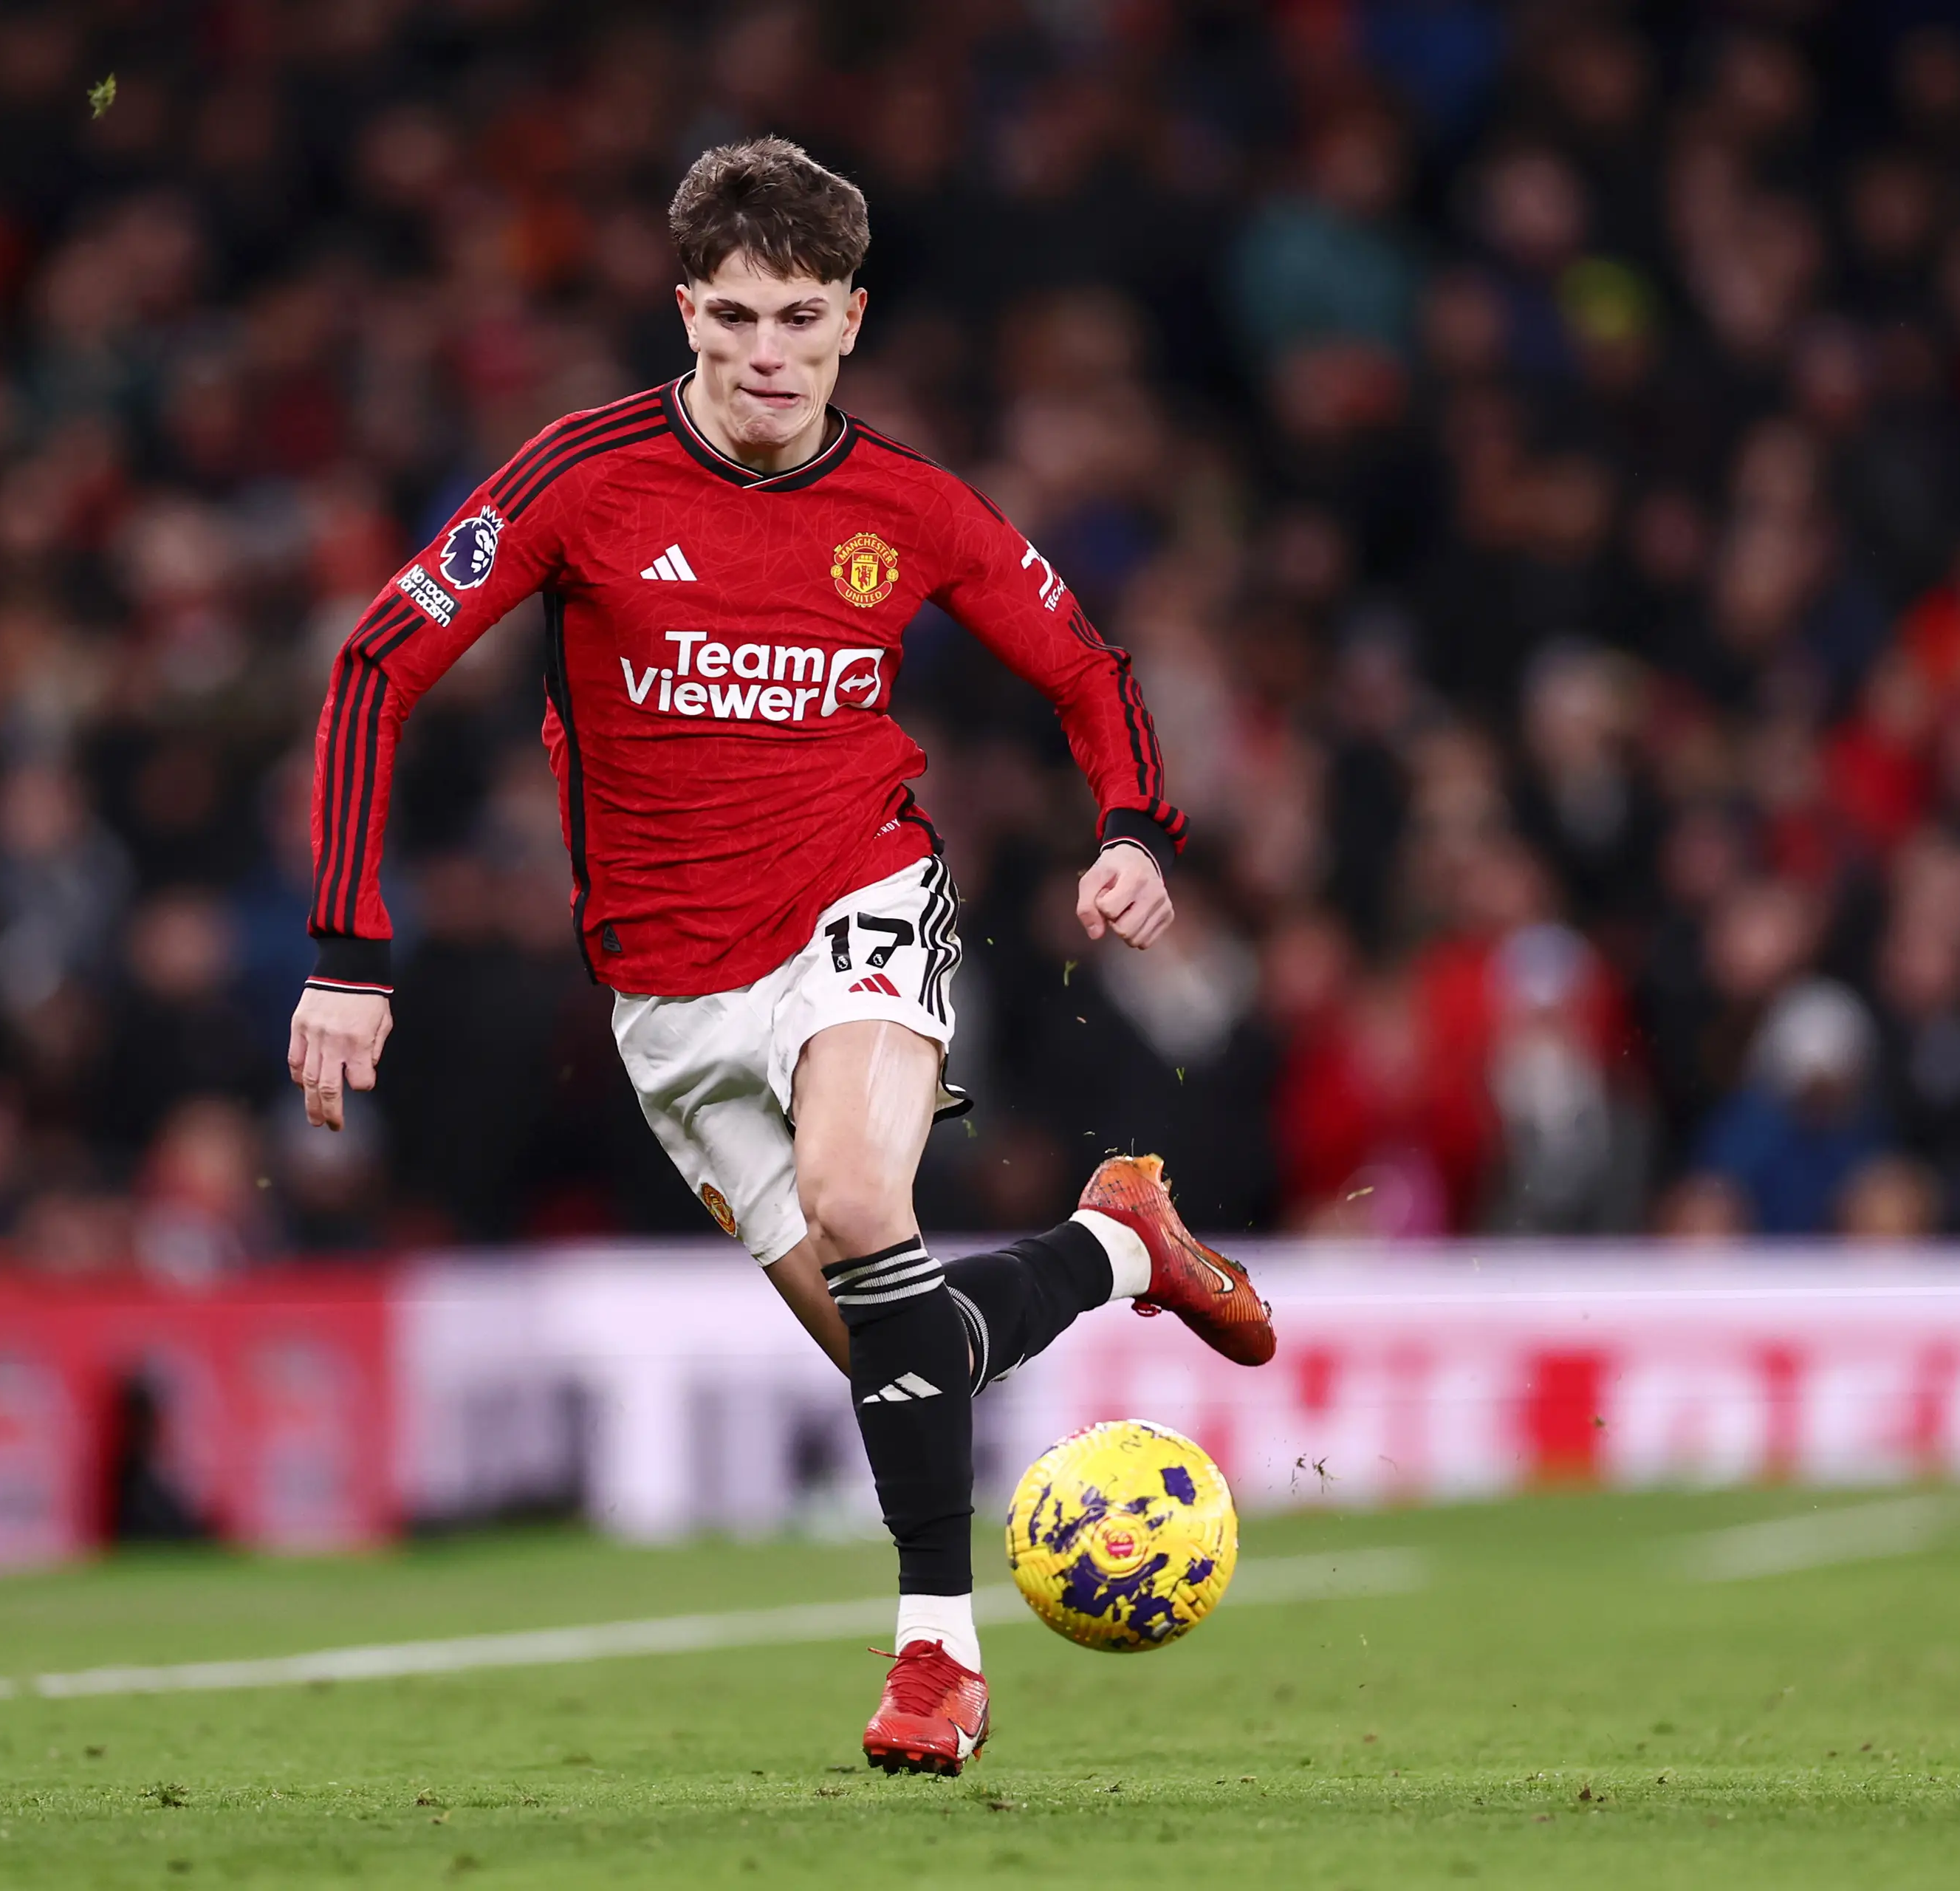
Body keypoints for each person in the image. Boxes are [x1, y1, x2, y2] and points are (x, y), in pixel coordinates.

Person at [286, 138, 1276, 1777]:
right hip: (667, 1000)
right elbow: (378, 660)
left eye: (799, 317)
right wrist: (346, 949)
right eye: (734, 315)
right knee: (918, 1349)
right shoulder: (580, 478)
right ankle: (1118, 1248)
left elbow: (1086, 665)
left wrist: (1133, 829)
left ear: (852, 320)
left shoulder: (913, 507)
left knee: (863, 1201)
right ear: (685, 308)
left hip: (857, 902)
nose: (764, 353)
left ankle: (934, 1662)